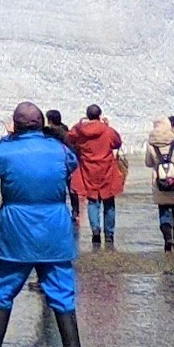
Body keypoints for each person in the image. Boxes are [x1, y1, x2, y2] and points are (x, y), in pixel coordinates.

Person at [0, 102, 84, 347]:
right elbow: (72, 164)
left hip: (17, 228)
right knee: (61, 289)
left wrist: (9, 137)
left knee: (5, 287)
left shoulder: (6, 151)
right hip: (54, 227)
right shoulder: (59, 150)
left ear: (16, 124)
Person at [71, 102, 126, 249]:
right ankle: (109, 234)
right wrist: (107, 126)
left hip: (89, 169)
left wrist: (79, 124)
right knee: (109, 203)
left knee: (93, 201)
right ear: (99, 115)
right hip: (107, 169)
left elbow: (70, 138)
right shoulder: (106, 130)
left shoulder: (81, 131)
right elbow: (117, 143)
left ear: (88, 116)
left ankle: (95, 230)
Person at [143, 114, 174, 251]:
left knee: (163, 212)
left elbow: (148, 163)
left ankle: (167, 239)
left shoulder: (151, 145)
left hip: (160, 181)